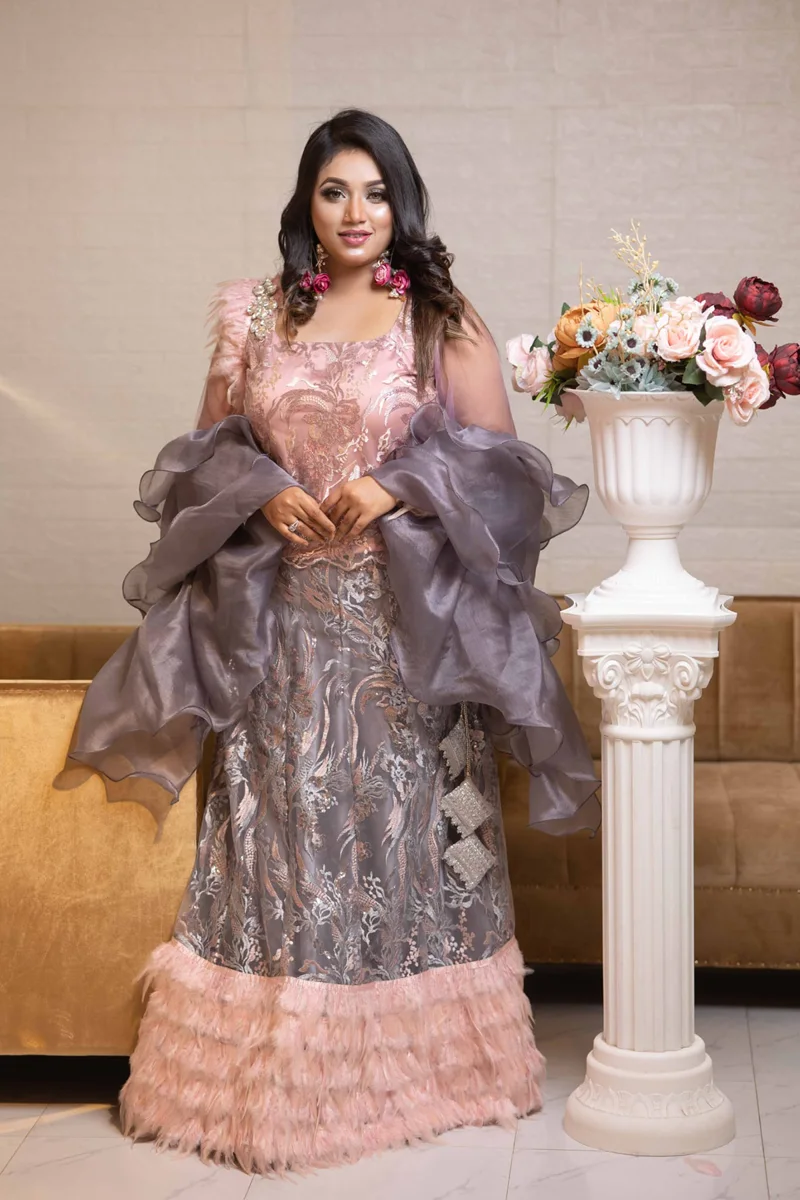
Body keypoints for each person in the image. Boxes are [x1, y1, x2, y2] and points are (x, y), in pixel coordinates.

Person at [61, 108, 599, 1177]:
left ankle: (420, 1078)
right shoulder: (256, 313)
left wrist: (396, 485)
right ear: (305, 203)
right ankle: (258, 1086)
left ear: (402, 205)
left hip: (404, 637)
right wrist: (263, 492)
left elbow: (503, 473)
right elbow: (203, 457)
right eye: (334, 191)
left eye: (376, 193)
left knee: (400, 836)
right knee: (279, 837)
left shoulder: (438, 316)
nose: (356, 213)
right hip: (276, 631)